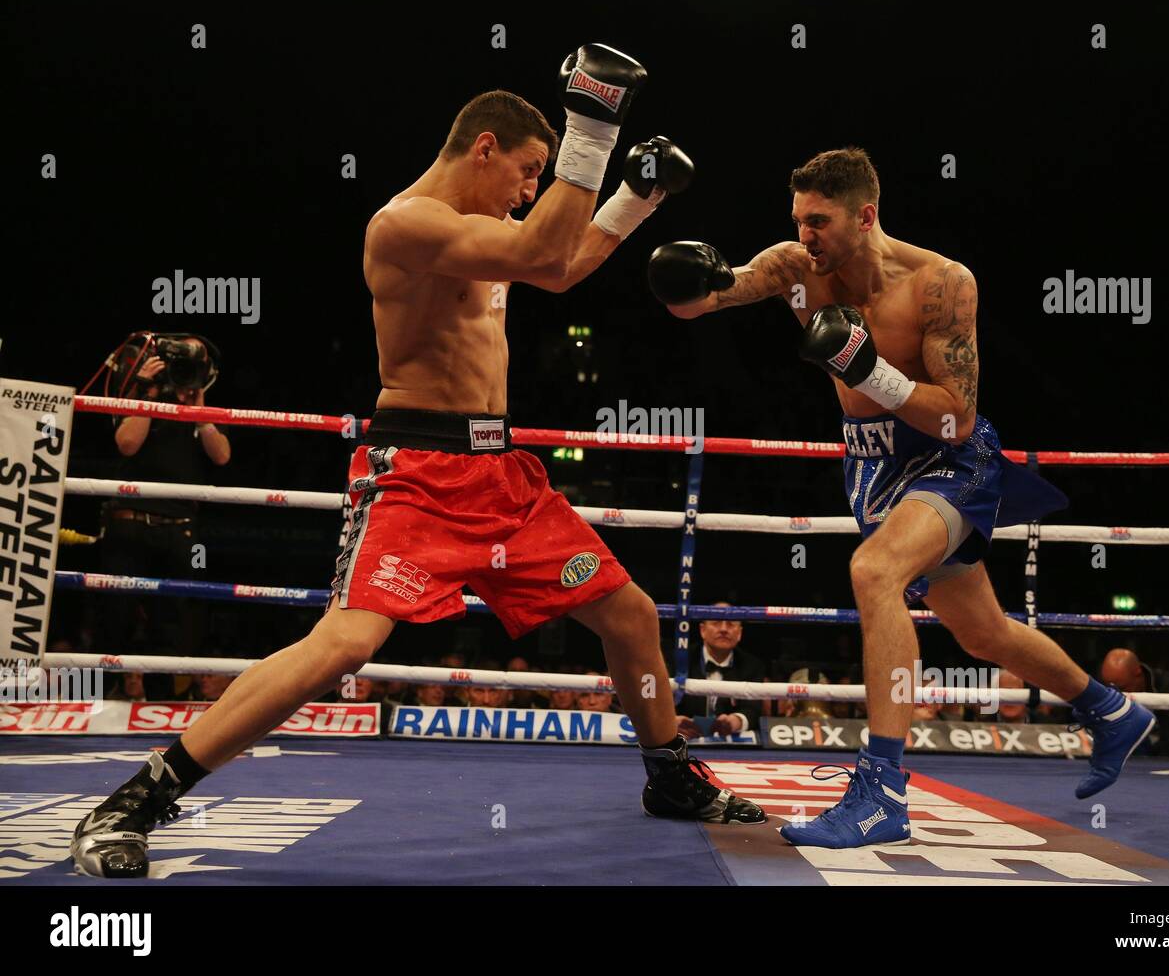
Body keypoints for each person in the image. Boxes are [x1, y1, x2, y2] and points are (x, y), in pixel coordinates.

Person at [71, 46, 764, 879]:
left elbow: (562, 263)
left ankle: (670, 779)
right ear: (483, 148)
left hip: (501, 474)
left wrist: (635, 198)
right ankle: (140, 796)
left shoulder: (489, 233)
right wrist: (595, 128)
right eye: (528, 170)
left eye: (544, 175)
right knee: (343, 645)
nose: (531, 190)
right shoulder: (402, 225)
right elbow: (546, 252)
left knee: (631, 614)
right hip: (419, 473)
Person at [651, 147, 1154, 849]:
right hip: (873, 469)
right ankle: (1109, 709)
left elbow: (959, 415)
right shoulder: (796, 269)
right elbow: (702, 299)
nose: (806, 236)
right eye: (798, 220)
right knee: (981, 631)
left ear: (866, 214)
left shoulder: (940, 283)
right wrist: (676, 266)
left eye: (819, 221)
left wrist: (871, 371)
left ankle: (882, 791)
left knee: (873, 570)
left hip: (952, 462)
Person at [99, 336, 230, 659]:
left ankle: (159, 702)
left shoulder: (203, 412)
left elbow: (222, 456)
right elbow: (127, 443)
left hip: (179, 531)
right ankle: (94, 702)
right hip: (129, 526)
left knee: (170, 626)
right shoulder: (140, 398)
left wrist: (199, 413)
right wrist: (148, 395)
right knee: (113, 620)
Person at [671, 603, 764, 738]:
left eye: (731, 624)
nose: (724, 629)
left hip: (730, 745)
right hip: (684, 739)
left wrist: (736, 721)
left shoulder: (752, 665)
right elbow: (661, 701)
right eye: (716, 622)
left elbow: (753, 709)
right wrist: (671, 721)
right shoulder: (678, 660)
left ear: (739, 633)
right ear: (702, 630)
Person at [1100, 647, 1169, 756]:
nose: (1117, 694)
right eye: (1109, 688)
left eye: (1122, 688)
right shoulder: (1107, 687)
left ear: (1138, 674)